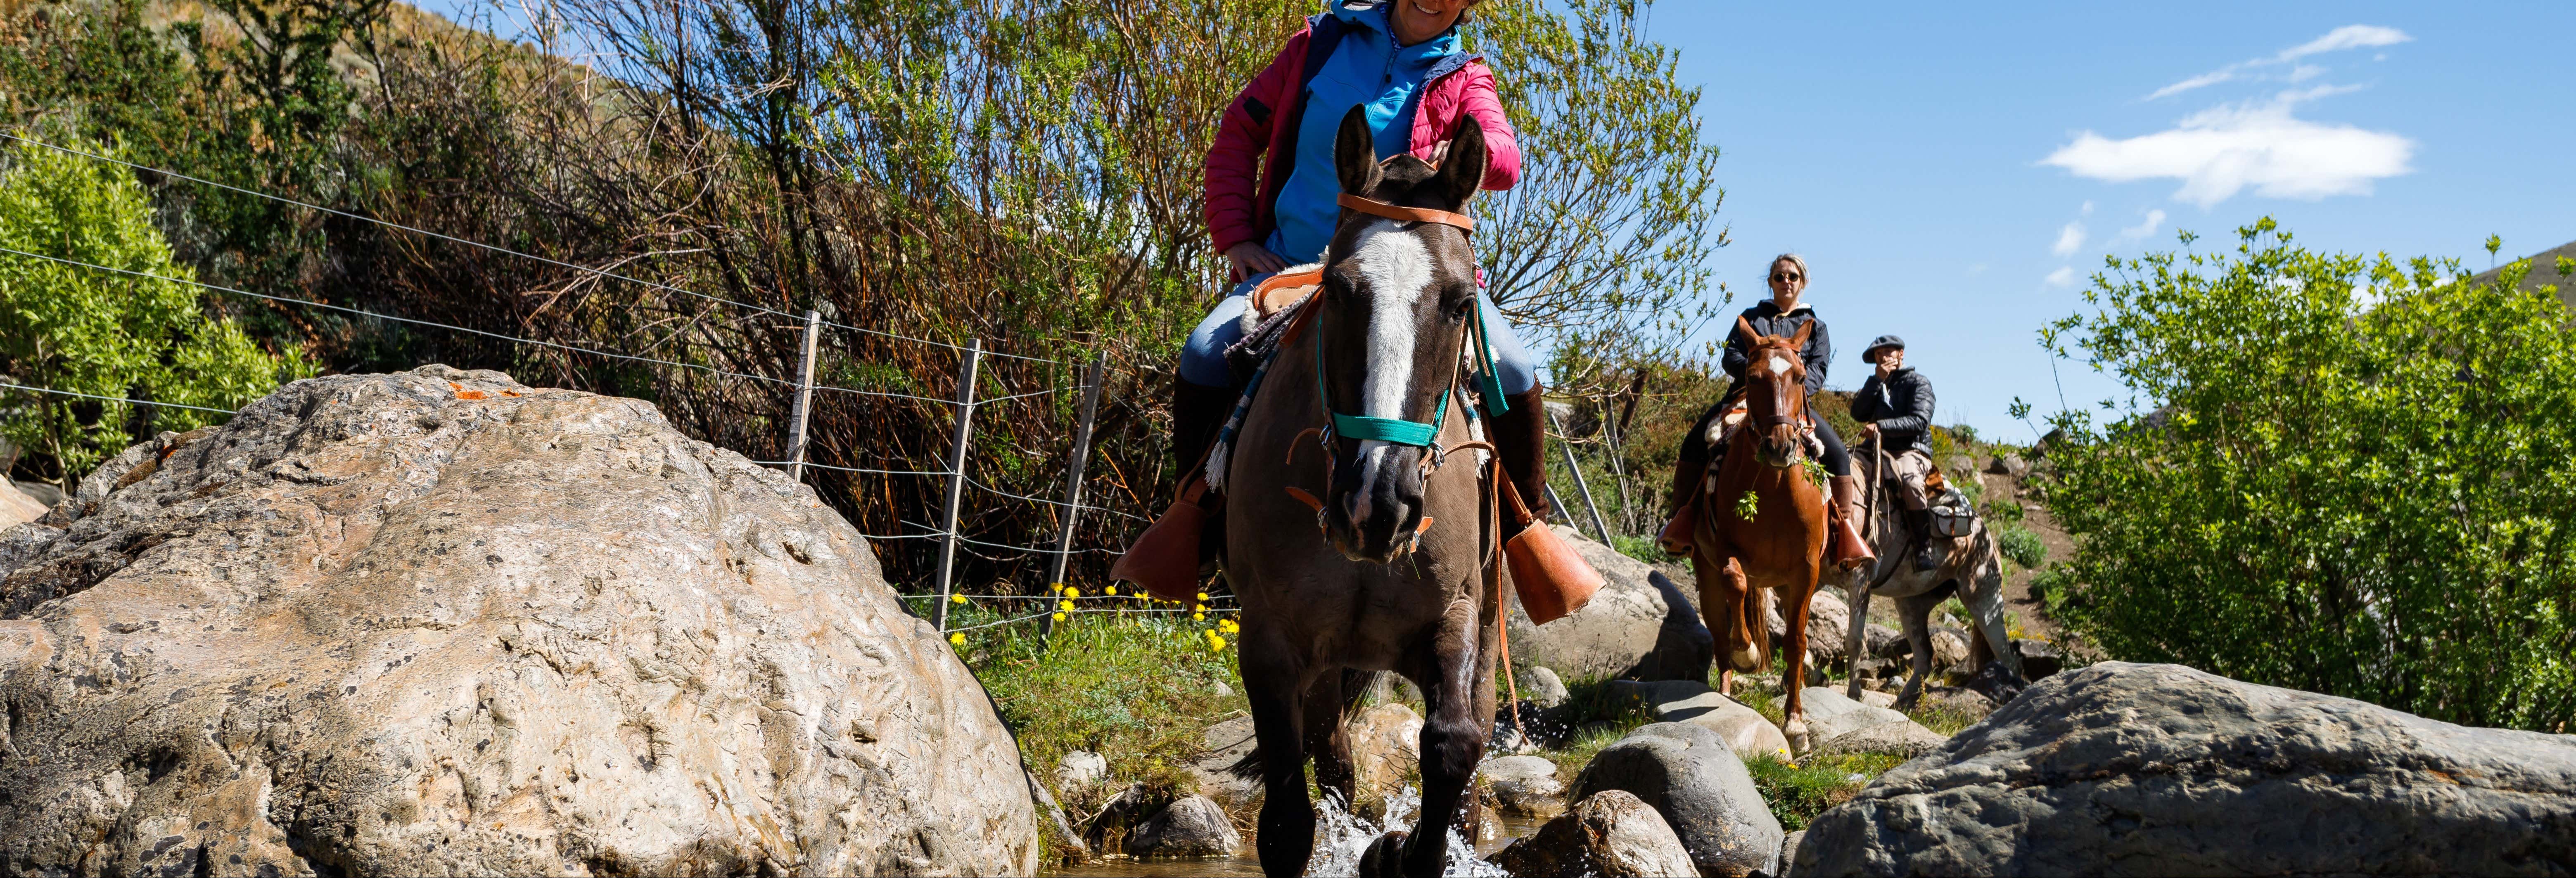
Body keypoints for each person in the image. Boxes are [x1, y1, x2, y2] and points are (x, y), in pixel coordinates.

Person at [1180, 0, 1550, 525]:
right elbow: (1239, 131)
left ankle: (1529, 535)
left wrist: (1477, 150)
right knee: (1201, 355)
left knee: (1514, 369)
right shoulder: (1319, 44)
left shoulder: (1467, 77)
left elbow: (1506, 153)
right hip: (1288, 265)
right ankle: (1190, 524)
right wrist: (1236, 236)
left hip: (1405, 284)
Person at [1662, 254, 1871, 566]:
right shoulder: (1752, 317)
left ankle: (1843, 536)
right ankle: (1682, 524)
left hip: (1793, 405)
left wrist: (1788, 387)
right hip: (1746, 397)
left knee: (1840, 455)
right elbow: (1730, 355)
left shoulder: (1816, 327)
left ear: (1803, 282)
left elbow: (1818, 370)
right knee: (1693, 443)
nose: (1786, 281)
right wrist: (1761, 373)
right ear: (1771, 282)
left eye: (1793, 277)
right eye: (1779, 276)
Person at [1850, 335, 1944, 570]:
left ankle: (1923, 550)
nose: (1883, 358)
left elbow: (1919, 421)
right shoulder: (1878, 383)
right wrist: (1876, 381)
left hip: (1911, 451)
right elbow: (1858, 413)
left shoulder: (1919, 383)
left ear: (1901, 354)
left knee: (1912, 484)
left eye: (1889, 353)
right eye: (1878, 356)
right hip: (1876, 450)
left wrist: (1882, 427)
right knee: (1843, 464)